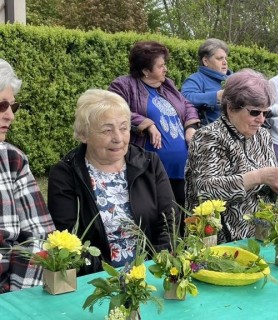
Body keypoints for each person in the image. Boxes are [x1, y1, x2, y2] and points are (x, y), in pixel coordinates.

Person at [48, 89, 175, 274]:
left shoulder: (149, 163)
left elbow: (170, 220)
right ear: (84, 135)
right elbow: (68, 239)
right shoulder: (65, 174)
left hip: (152, 270)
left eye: (124, 128)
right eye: (107, 130)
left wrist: (156, 265)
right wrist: (112, 277)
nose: (118, 138)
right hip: (98, 279)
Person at [185, 69, 278, 243]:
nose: (261, 119)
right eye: (254, 112)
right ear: (231, 108)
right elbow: (205, 190)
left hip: (261, 233)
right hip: (219, 240)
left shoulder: (263, 135)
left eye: (265, 113)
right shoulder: (209, 136)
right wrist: (259, 176)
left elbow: (272, 186)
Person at [108, 40, 200, 212]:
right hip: (150, 170)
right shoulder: (123, 85)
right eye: (160, 66)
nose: (165, 69)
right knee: (162, 218)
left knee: (183, 221)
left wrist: (190, 127)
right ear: (145, 71)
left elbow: (187, 106)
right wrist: (146, 124)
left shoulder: (168, 86)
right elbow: (113, 110)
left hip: (181, 169)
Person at [0, 59, 55, 293]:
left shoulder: (13, 160)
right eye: (2, 106)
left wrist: (18, 301)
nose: (10, 116)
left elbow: (39, 236)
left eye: (13, 106)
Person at [181, 38, 232, 126]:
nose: (225, 62)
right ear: (205, 61)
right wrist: (216, 96)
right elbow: (185, 98)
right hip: (213, 133)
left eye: (225, 58)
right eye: (219, 58)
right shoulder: (196, 79)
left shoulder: (235, 79)